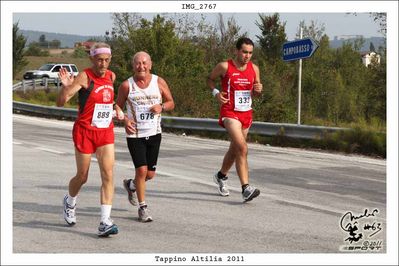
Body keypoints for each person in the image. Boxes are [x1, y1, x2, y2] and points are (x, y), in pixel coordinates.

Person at [56, 42, 124, 237]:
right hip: (85, 131)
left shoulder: (112, 76)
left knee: (108, 174)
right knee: (82, 176)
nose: (103, 64)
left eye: (107, 60)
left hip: (104, 132)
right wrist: (67, 86)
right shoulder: (84, 77)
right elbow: (60, 103)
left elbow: (106, 99)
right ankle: (69, 200)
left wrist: (115, 109)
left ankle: (105, 221)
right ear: (92, 59)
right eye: (99, 60)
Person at [116, 51, 174, 222]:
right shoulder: (127, 85)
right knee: (141, 171)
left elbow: (171, 102)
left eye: (144, 63)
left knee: (149, 174)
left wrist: (161, 107)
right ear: (133, 65)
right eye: (137, 63)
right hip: (135, 135)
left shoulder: (159, 82)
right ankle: (143, 208)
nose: (141, 66)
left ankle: (131, 185)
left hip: (154, 133)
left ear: (150, 64)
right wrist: (125, 120)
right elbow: (116, 107)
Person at [207, 37, 263, 202]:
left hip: (246, 113)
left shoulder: (255, 69)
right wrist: (216, 93)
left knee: (235, 149)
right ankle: (246, 188)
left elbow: (256, 92)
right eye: (244, 52)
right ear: (237, 51)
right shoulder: (225, 66)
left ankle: (221, 176)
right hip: (230, 112)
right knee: (242, 147)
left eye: (250, 53)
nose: (247, 56)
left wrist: (259, 90)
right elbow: (209, 79)